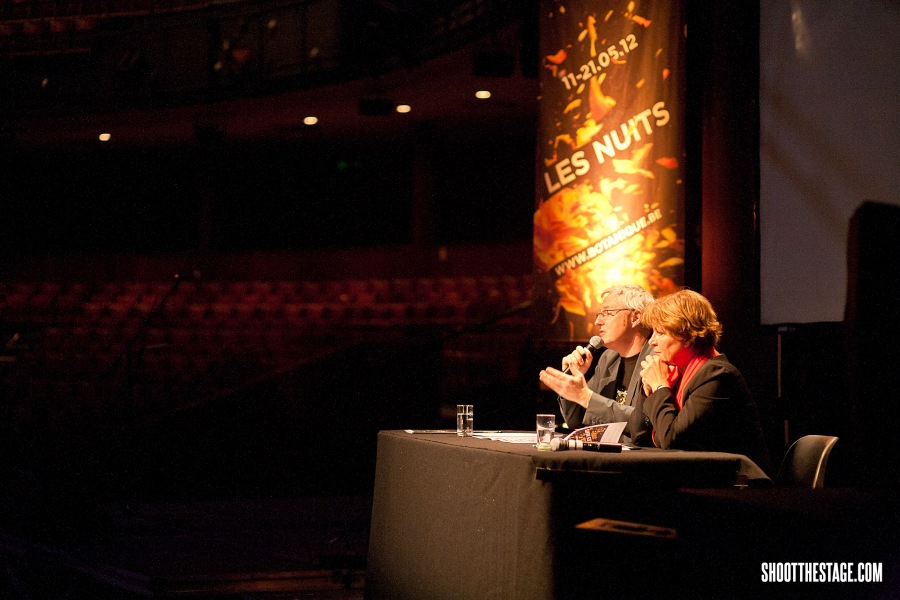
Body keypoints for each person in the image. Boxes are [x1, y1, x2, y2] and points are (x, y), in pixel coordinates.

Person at [631, 289, 772, 472]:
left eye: (660, 333)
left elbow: (672, 440)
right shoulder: (674, 374)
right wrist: (648, 389)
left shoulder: (716, 375)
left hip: (736, 484)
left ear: (687, 336)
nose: (652, 342)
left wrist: (660, 387)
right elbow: (638, 435)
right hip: (699, 475)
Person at [539, 284, 655, 445]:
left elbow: (645, 423)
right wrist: (574, 378)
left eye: (607, 313)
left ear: (635, 318)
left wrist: (585, 397)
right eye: (599, 314)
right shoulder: (608, 359)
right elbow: (576, 421)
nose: (597, 322)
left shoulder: (656, 358)